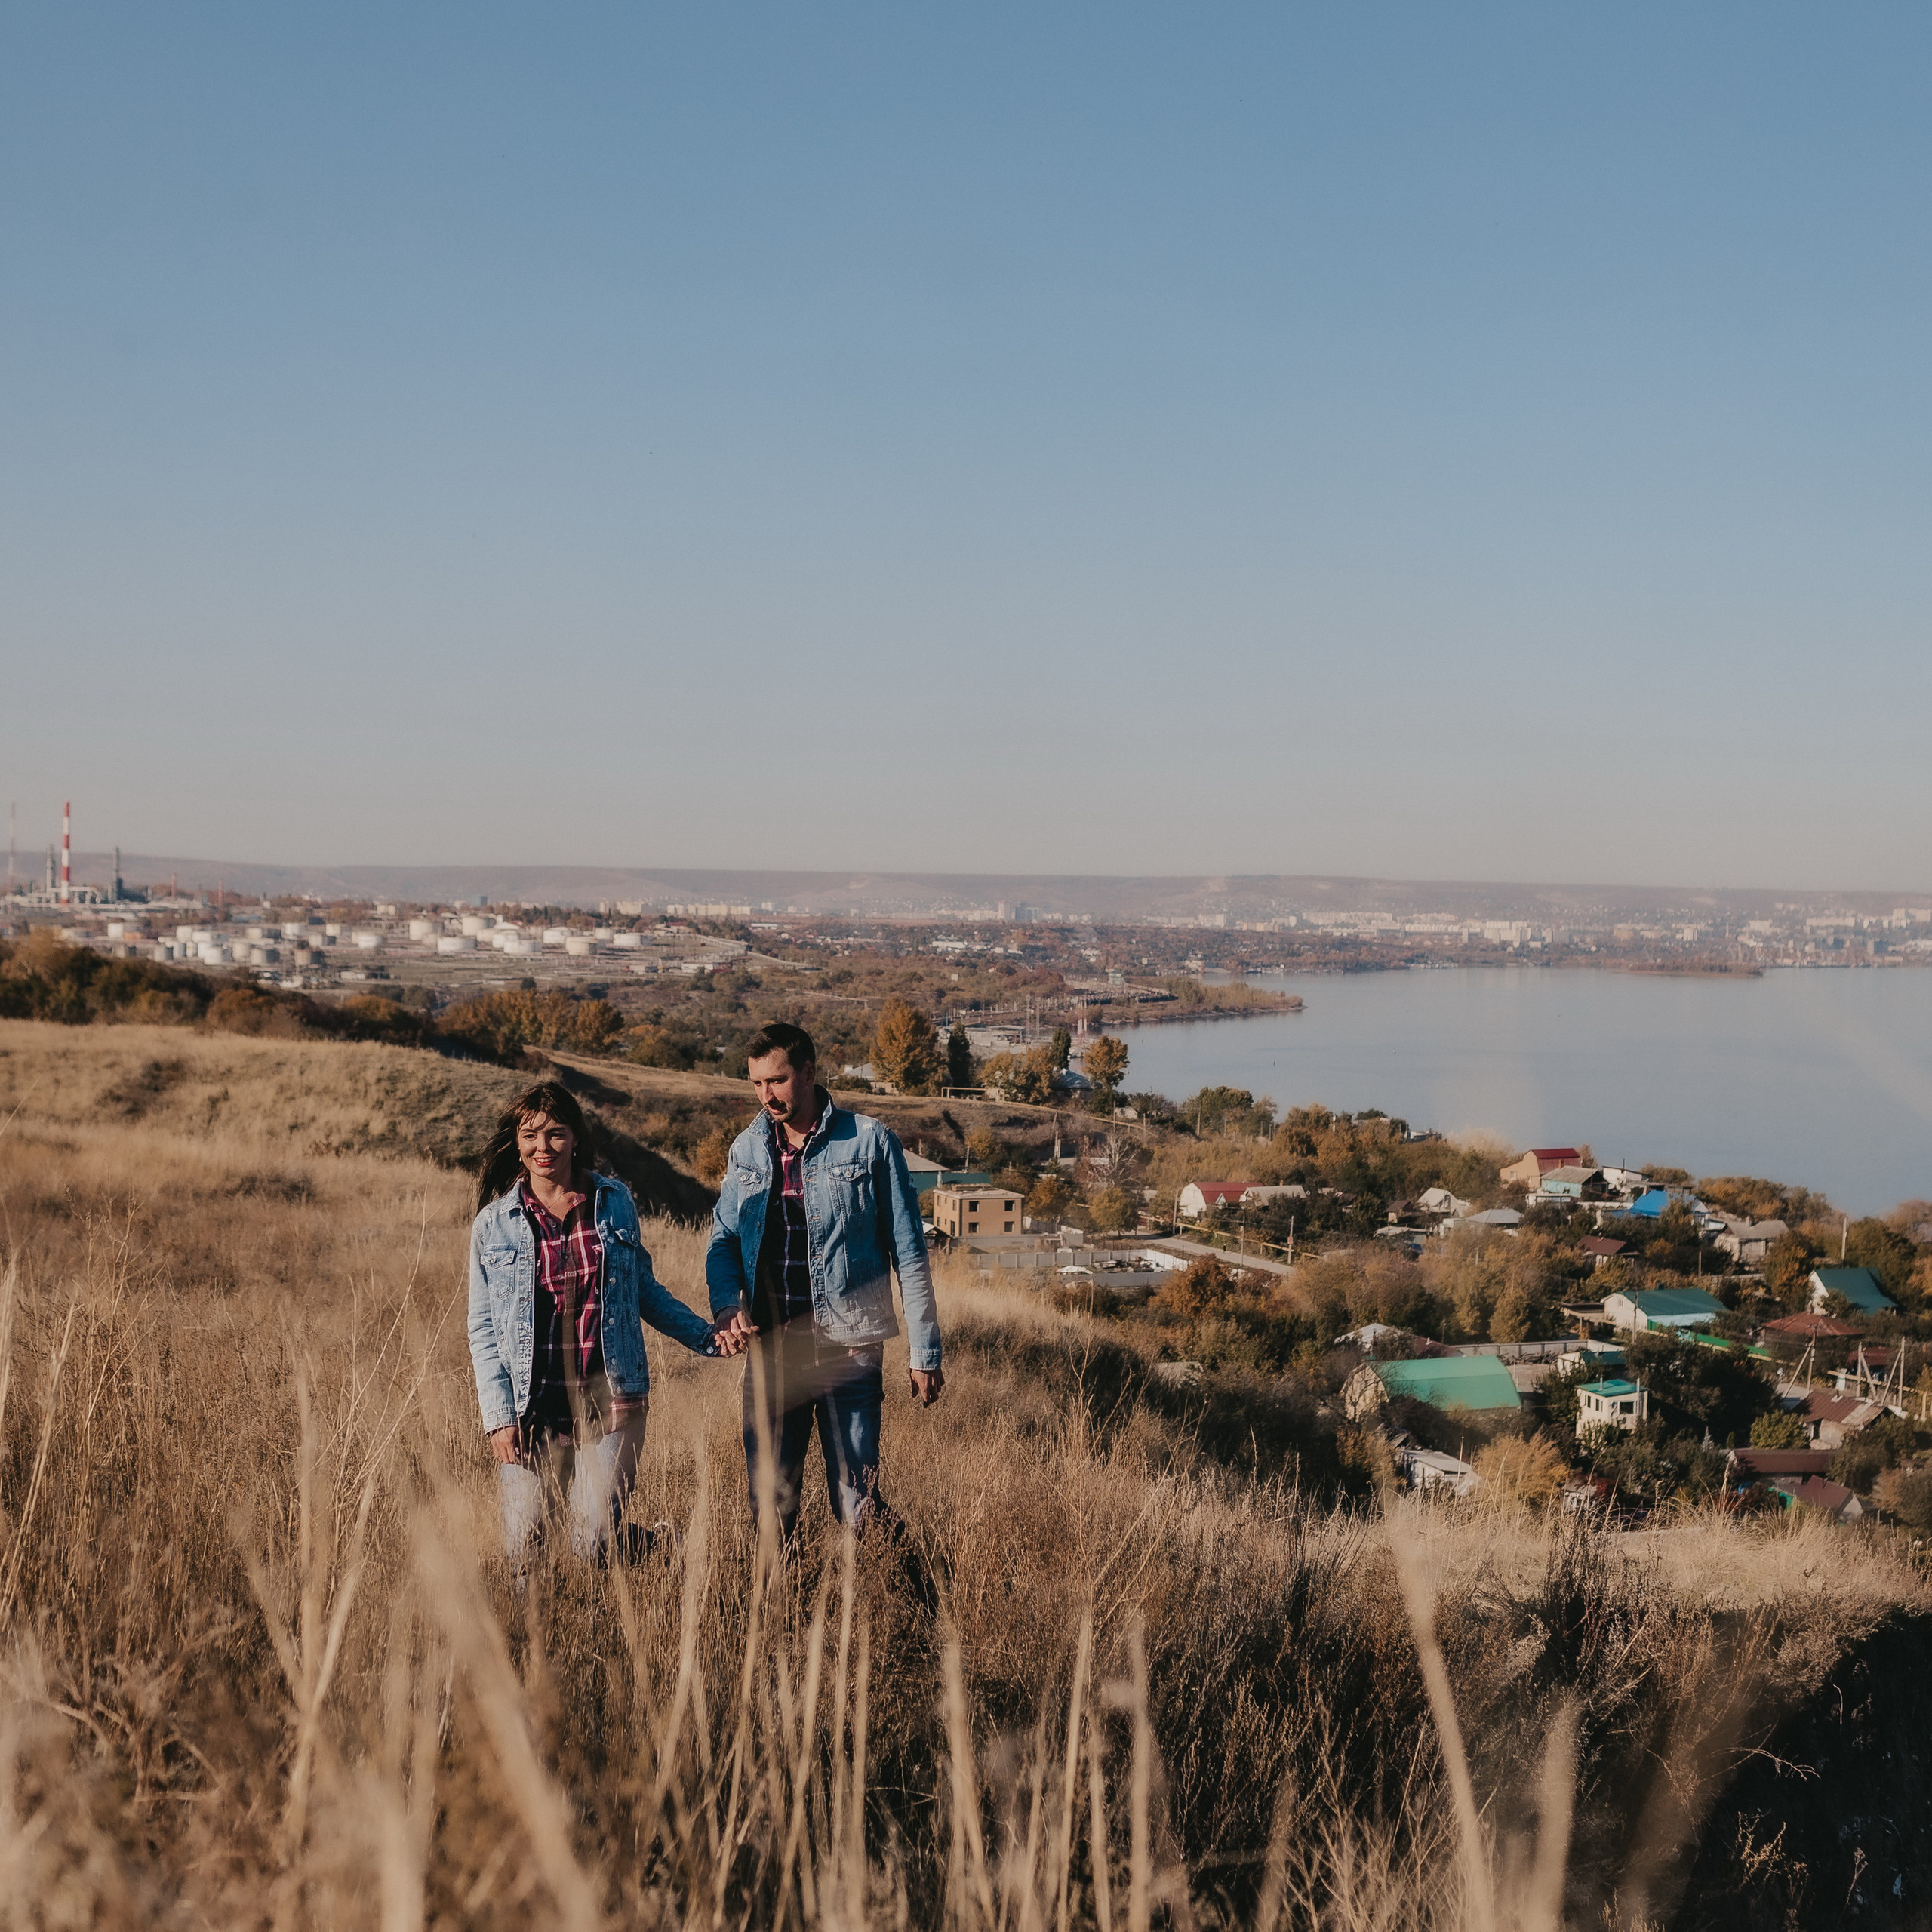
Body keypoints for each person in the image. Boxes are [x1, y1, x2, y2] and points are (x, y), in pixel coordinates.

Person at [467, 1080, 742, 1567]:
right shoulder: (495, 1223)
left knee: (588, 1541)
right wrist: (499, 1417)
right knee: (522, 1553)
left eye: (555, 1133)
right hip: (534, 1403)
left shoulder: (613, 1201)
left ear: (574, 1137)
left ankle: (649, 1548)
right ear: (516, 1142)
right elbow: (483, 1327)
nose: (542, 1147)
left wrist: (707, 1337)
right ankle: (532, 1641)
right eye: (529, 1135)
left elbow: (643, 1291)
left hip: (610, 1394)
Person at [707, 1023, 943, 1542]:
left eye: (777, 1080)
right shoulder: (747, 1150)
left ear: (809, 1073)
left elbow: (909, 1252)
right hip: (773, 1354)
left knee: (856, 1505)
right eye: (756, 1084)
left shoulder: (869, 1142)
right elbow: (722, 1242)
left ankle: (918, 1604)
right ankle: (776, 1618)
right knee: (770, 1508)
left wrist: (924, 1351)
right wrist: (727, 1306)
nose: (766, 1095)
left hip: (849, 1350)